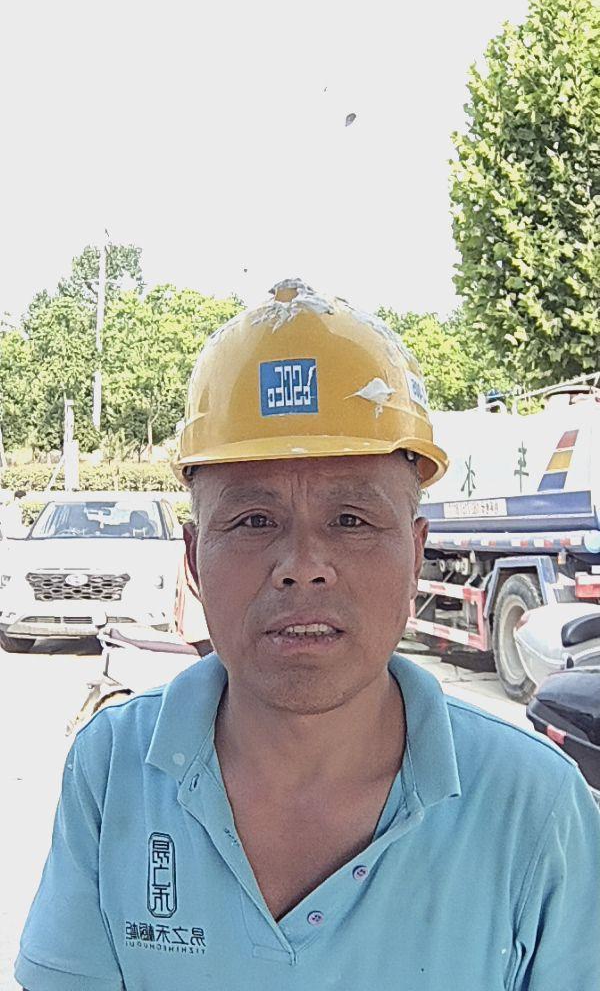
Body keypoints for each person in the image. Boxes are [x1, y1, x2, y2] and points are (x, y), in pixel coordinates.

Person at [16, 279, 600, 990]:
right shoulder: (114, 772)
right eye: (254, 521)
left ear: (416, 554)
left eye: (351, 520)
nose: (302, 565)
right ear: (194, 559)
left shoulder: (533, 806)